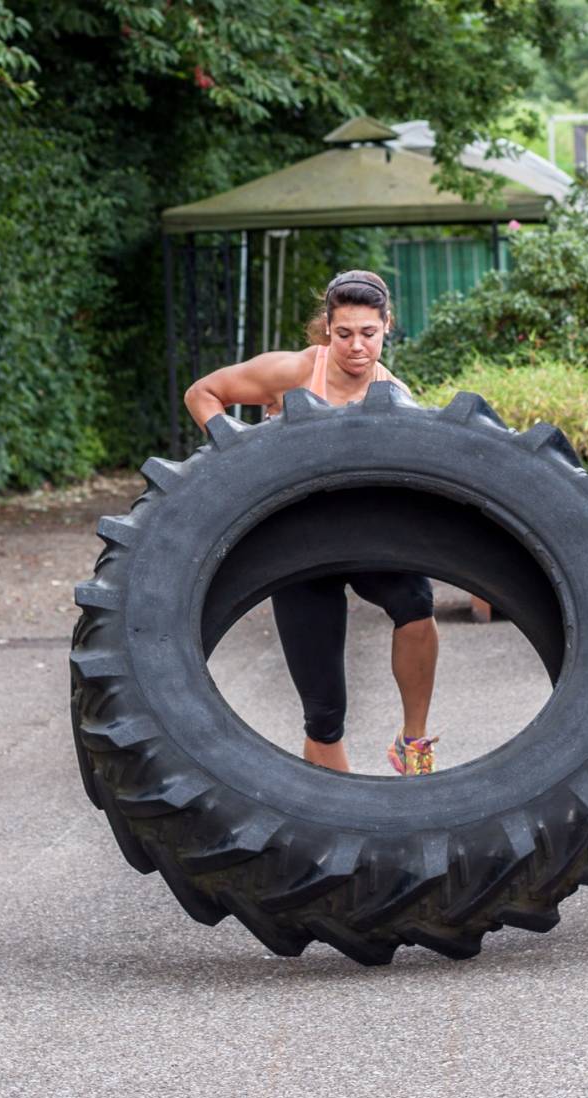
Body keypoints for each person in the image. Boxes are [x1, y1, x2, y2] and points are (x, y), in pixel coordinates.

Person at [184, 270, 440, 777]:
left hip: (363, 536)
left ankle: (413, 744)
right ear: (327, 328)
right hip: (296, 547)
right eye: (343, 333)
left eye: (368, 333)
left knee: (416, 603)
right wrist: (236, 454)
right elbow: (203, 393)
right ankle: (338, 819)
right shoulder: (297, 370)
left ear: (387, 326)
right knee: (324, 713)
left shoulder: (398, 396)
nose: (356, 346)